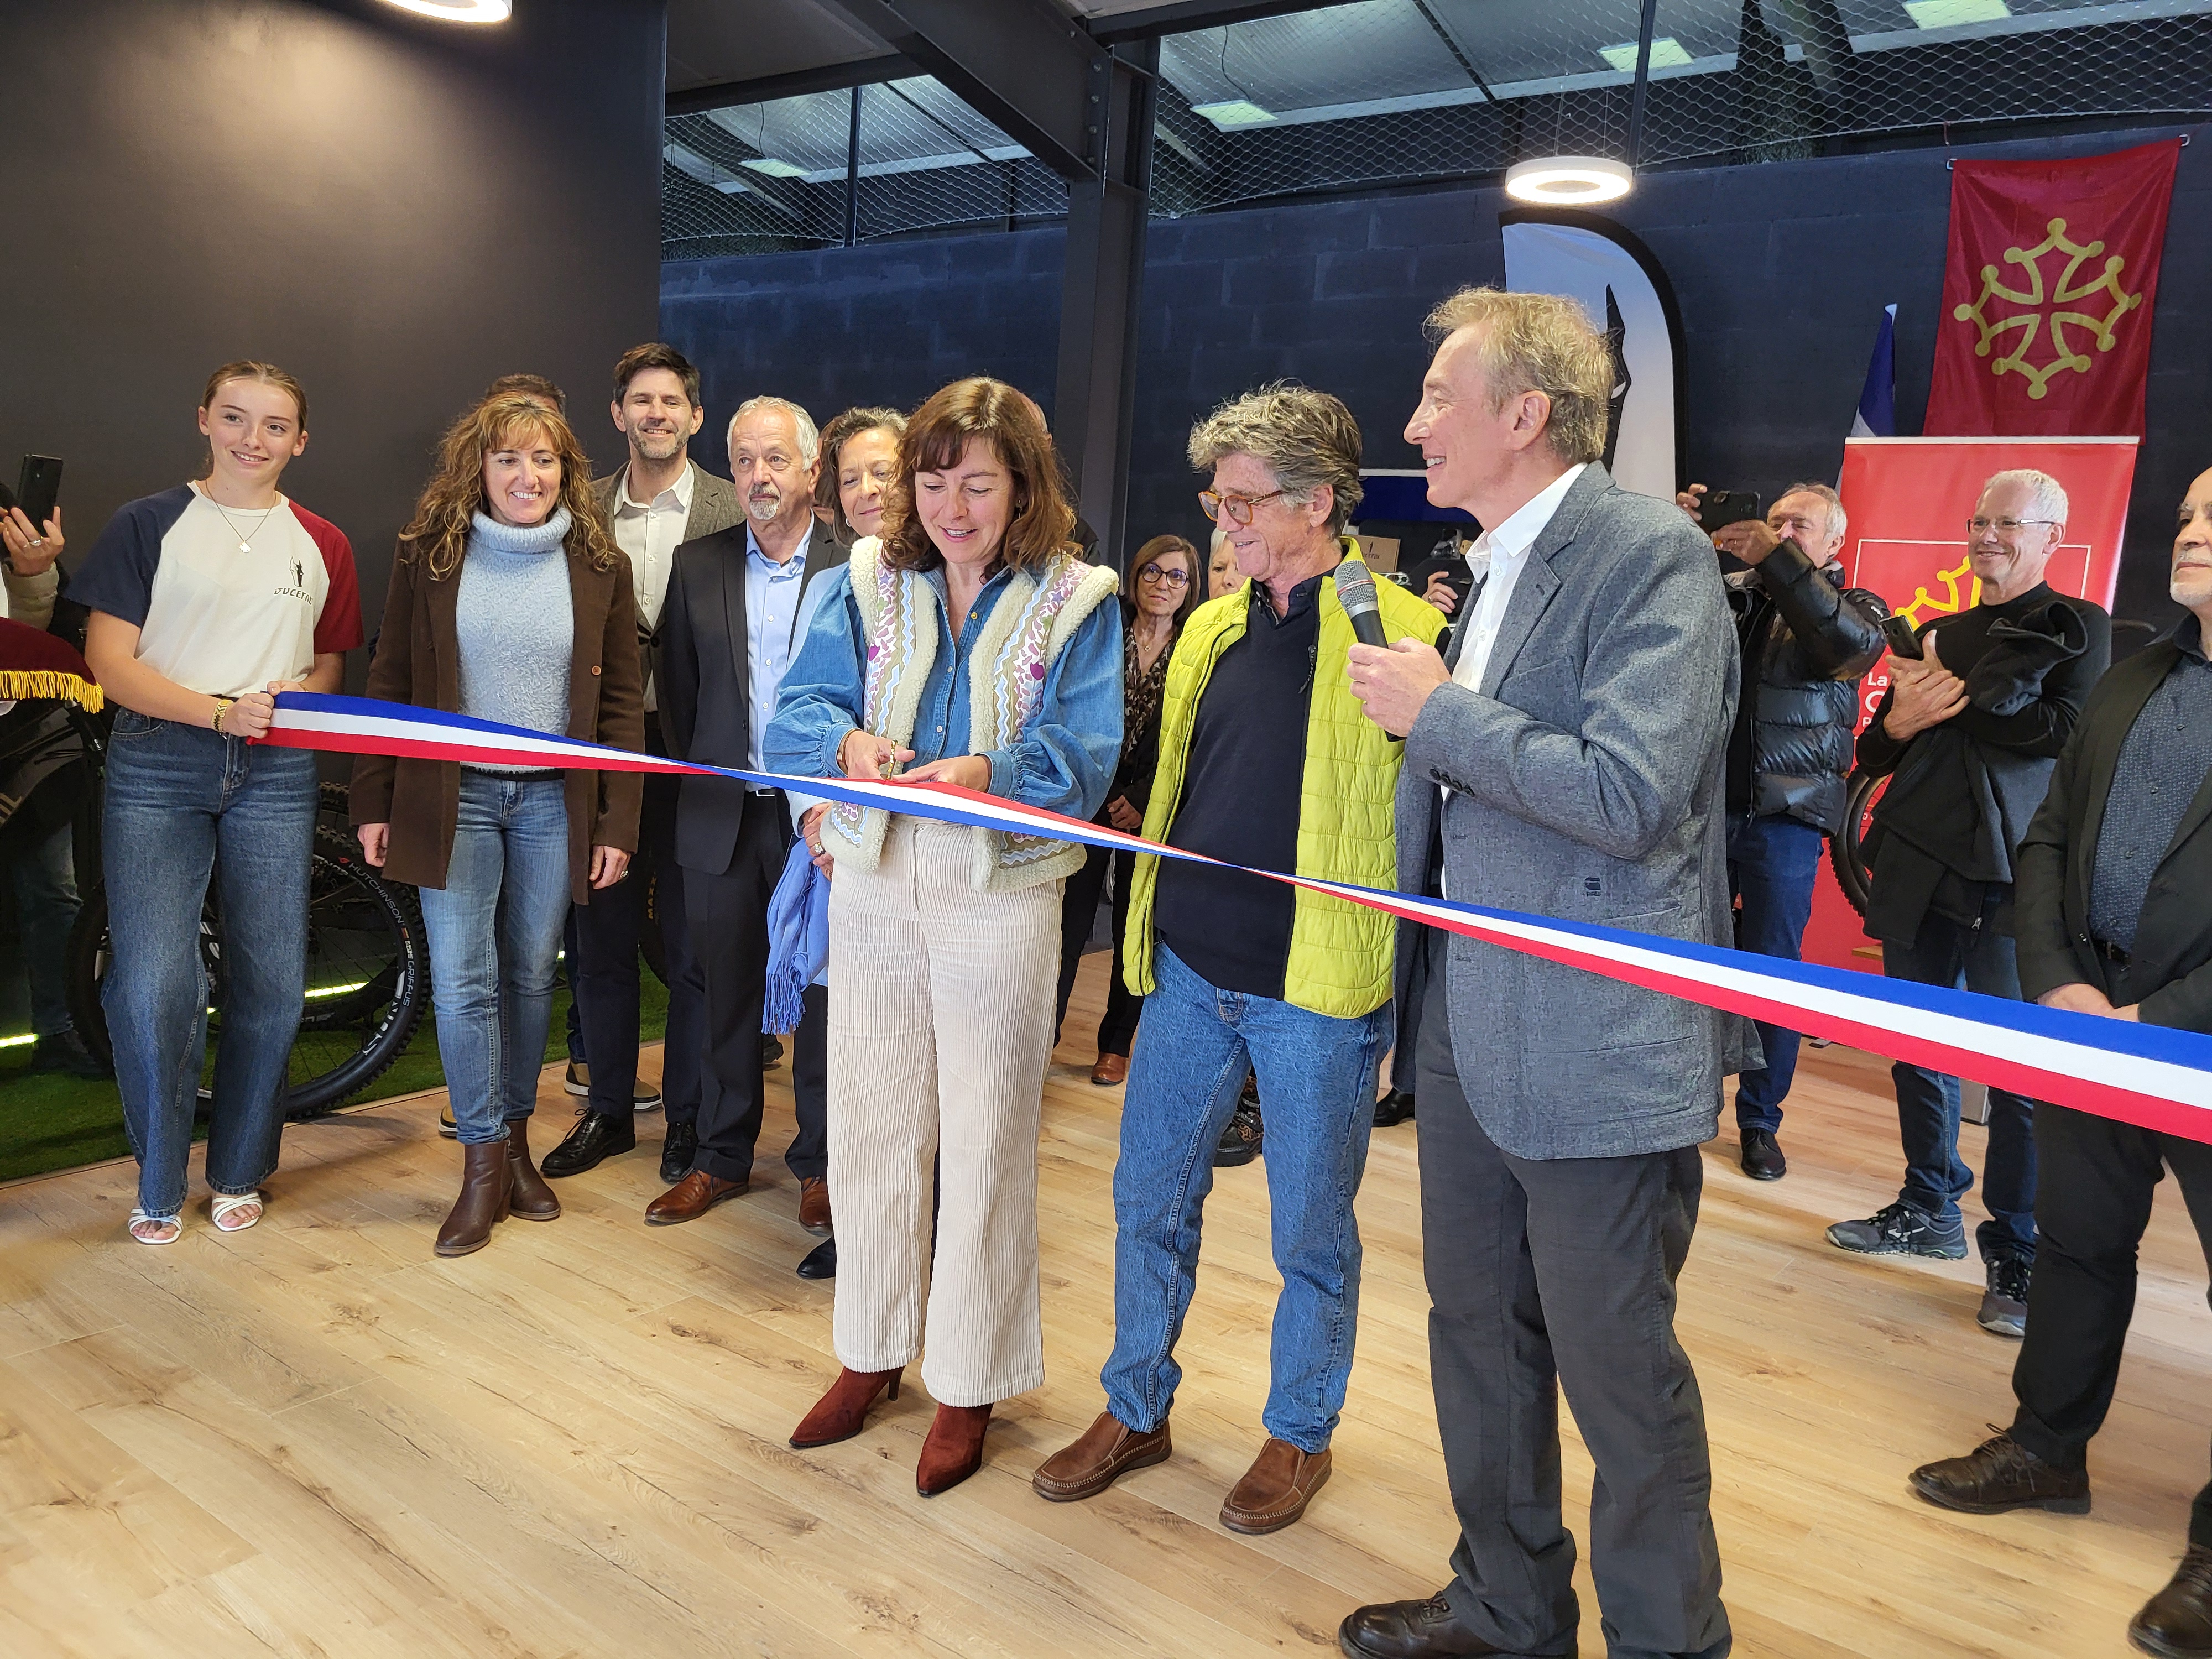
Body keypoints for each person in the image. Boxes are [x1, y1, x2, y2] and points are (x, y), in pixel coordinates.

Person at [1337, 287, 1738, 1659]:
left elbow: (1627, 793)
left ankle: (1664, 1639)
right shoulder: (1492, 562)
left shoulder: (1652, 560)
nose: (1412, 425)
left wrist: (1434, 709)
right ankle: (1508, 1608)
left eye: (1437, 399)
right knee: (1478, 1337)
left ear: (1524, 413)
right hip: (1461, 1012)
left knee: (1618, 1376)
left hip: (1594, 1039)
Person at [1033, 383, 1444, 1537]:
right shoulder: (1212, 626)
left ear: (1319, 503)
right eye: (1214, 500)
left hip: (1316, 990)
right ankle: (1135, 1406)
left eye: (1244, 501)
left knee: (1309, 1229)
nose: (1223, 523)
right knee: (1145, 1202)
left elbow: (1433, 824)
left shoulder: (1403, 638)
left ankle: (1298, 1432)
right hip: (1188, 977)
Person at [767, 375, 1121, 1498]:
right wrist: (851, 746)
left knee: (984, 1140)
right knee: (869, 1130)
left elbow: (1084, 753)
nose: (950, 507)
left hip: (1001, 891)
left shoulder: (1078, 594)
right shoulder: (864, 578)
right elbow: (795, 711)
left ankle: (968, 1380)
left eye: (977, 484)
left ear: (1022, 486)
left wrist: (988, 773)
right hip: (873, 879)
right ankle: (868, 1353)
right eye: (932, 482)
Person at [1907, 466, 2212, 1659]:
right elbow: (2045, 839)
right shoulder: (2135, 674)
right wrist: (2060, 984)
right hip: (2093, 1024)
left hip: (2187, 1041)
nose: (2187, 538)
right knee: (2080, 1248)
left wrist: (2162, 1016)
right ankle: (2043, 1451)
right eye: (2187, 519)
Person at [74, 361, 362, 1245]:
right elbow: (109, 663)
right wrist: (216, 711)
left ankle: (238, 1167)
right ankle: (159, 1179)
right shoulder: (147, 524)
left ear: (300, 441)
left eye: (275, 427)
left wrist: (288, 697)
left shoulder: (324, 542)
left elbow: (328, 664)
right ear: (204, 419)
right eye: (235, 419)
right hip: (161, 761)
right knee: (158, 980)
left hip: (277, 767)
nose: (253, 439)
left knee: (271, 980)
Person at [352, 394, 643, 1257]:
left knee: (526, 977)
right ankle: (482, 1165)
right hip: (456, 798)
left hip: (556, 801)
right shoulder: (430, 555)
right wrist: (373, 801)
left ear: (567, 471)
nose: (528, 477)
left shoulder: (600, 561)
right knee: (462, 979)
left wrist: (616, 821)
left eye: (545, 460)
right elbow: (390, 683)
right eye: (509, 460)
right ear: (478, 468)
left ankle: (517, 1146)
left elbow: (623, 702)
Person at [1829, 469, 2111, 1337]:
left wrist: (1958, 701)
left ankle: (2019, 1247)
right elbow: (1879, 751)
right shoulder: (1947, 631)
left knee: (2017, 1071)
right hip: (1919, 864)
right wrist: (1907, 719)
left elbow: (2063, 737)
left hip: (2014, 876)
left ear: (2052, 536)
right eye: (1979, 519)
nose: (1988, 534)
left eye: (2009, 522)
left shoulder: (2081, 627)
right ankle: (1929, 1207)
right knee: (1917, 1047)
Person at [536, 344, 742, 1184]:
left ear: (696, 417)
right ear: (617, 414)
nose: (656, 414)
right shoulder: (573, 510)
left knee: (694, 946)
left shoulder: (735, 508)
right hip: (604, 753)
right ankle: (610, 1113)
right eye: (640, 401)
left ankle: (689, 1121)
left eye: (673, 403)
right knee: (601, 941)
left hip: (700, 758)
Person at [644, 394, 848, 1227]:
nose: (758, 477)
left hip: (822, 822)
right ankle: (722, 1156)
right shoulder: (699, 565)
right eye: (743, 461)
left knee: (826, 995)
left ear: (809, 469)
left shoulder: (860, 563)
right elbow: (686, 702)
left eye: (775, 460)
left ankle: (823, 1164)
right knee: (722, 987)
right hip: (723, 812)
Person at [1677, 480, 1888, 1180]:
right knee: (1690, 969)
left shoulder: (1856, 606)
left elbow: (1842, 648)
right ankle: (1683, 1106)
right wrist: (1673, 542)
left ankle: (1761, 1121)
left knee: (1770, 975)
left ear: (1834, 545)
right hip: (1705, 816)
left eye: (1801, 526)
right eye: (1774, 521)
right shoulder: (1732, 593)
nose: (1783, 532)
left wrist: (1778, 559)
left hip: (1784, 823)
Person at [785, 405, 911, 1282]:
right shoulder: (831, 587)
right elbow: (797, 717)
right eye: (854, 478)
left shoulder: (956, 581)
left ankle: (910, 1222)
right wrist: (813, 819)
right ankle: (853, 1211)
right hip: (843, 852)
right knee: (845, 1046)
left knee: (911, 1057)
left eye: (888, 473)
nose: (871, 492)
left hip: (931, 850)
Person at [1052, 532, 1199, 1087]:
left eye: (1176, 576)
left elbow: (1189, 737)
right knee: (1067, 925)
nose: (1163, 585)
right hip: (1088, 796)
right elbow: (1079, 709)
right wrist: (1101, 787)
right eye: (1152, 573)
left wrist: (1140, 800)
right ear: (1135, 578)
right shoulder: (1106, 630)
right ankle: (1046, 1034)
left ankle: (1115, 1044)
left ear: (1190, 588)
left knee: (1132, 927)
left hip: (1151, 808)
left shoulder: (1195, 644)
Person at [0, 499, 106, 1078]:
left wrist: (35, 572)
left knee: (52, 893)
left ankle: (65, 1028)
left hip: (24, 746)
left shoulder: (8, 515)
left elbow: (52, 635)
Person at [813, 405, 906, 549]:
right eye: (850, 481)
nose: (866, 490)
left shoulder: (952, 569)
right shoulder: (828, 572)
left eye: (882, 473)